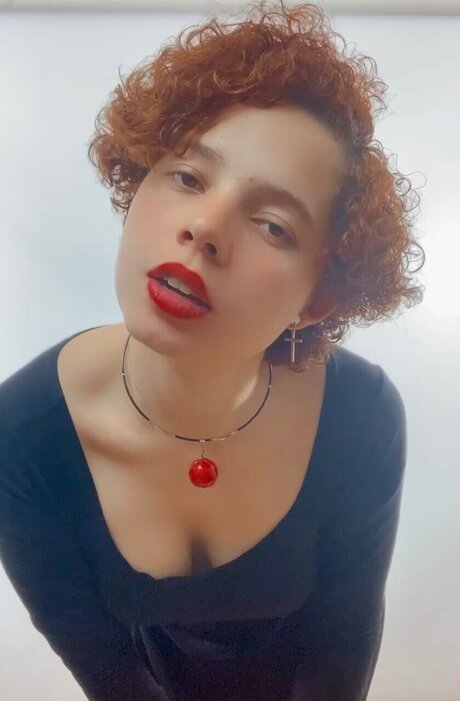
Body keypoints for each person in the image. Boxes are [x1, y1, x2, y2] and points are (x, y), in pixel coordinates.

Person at [0, 1, 425, 700]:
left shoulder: (361, 415)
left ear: (317, 299)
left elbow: (341, 650)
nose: (204, 227)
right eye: (189, 177)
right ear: (137, 182)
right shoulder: (22, 437)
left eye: (273, 225)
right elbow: (106, 670)